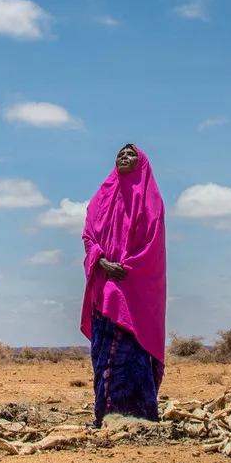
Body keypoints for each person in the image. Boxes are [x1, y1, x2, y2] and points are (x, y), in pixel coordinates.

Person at [80, 143, 167, 426]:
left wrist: (127, 269)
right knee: (103, 353)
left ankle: (139, 415)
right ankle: (104, 415)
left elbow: (152, 246)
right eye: (120, 153)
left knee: (133, 351)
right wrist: (102, 263)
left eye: (131, 154)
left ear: (141, 163)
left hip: (134, 288)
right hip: (105, 282)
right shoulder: (101, 197)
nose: (124, 157)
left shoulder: (151, 200)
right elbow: (88, 237)